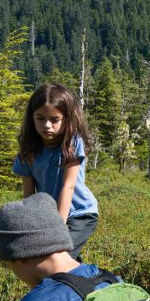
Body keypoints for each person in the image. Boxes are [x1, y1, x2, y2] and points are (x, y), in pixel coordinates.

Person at [14, 84, 99, 260]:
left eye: (55, 119)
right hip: (50, 216)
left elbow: (68, 186)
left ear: (67, 118)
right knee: (61, 260)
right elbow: (29, 195)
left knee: (59, 257)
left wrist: (57, 227)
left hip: (80, 214)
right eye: (40, 118)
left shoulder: (72, 143)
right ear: (32, 118)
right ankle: (85, 281)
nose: (47, 125)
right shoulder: (28, 150)